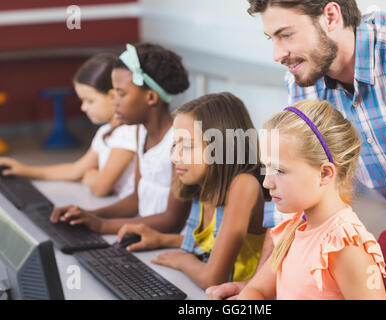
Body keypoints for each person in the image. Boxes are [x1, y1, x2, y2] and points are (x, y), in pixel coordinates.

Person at [208, 0, 386, 299]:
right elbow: (292, 195)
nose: (277, 54)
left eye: (286, 35)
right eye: (272, 39)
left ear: (331, 16)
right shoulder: (305, 81)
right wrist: (264, 284)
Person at [116, 92, 269, 289]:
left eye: (187, 146)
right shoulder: (204, 183)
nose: (174, 156)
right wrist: (162, 239)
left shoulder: (243, 185)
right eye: (175, 144)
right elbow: (215, 245)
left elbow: (213, 279)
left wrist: (183, 261)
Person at [237, 100, 386, 299]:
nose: (266, 183)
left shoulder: (345, 246)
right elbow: (256, 290)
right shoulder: (296, 226)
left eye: (279, 170)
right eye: (267, 168)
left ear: (325, 173)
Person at [50, 43, 191, 234]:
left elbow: (172, 221)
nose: (114, 101)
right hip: (144, 234)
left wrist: (102, 225)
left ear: (150, 97)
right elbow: (137, 199)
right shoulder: (141, 133)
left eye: (121, 93)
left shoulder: (180, 142)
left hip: (170, 244)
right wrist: (89, 215)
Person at [0, 54, 137, 198]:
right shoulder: (106, 131)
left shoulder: (126, 133)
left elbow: (100, 188)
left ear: (113, 96)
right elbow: (75, 170)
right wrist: (24, 170)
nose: (83, 108)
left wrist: (90, 176)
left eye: (90, 101)